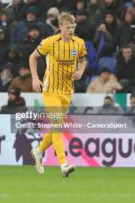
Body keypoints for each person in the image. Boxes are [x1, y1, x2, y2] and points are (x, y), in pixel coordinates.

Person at [29, 12, 87, 177]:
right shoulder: (49, 42)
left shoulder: (79, 43)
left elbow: (83, 60)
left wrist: (80, 71)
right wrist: (35, 78)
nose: (71, 30)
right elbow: (33, 57)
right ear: (60, 27)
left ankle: (39, 151)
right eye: (68, 27)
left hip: (67, 91)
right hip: (50, 90)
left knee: (56, 127)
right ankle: (63, 164)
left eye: (73, 27)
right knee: (57, 126)